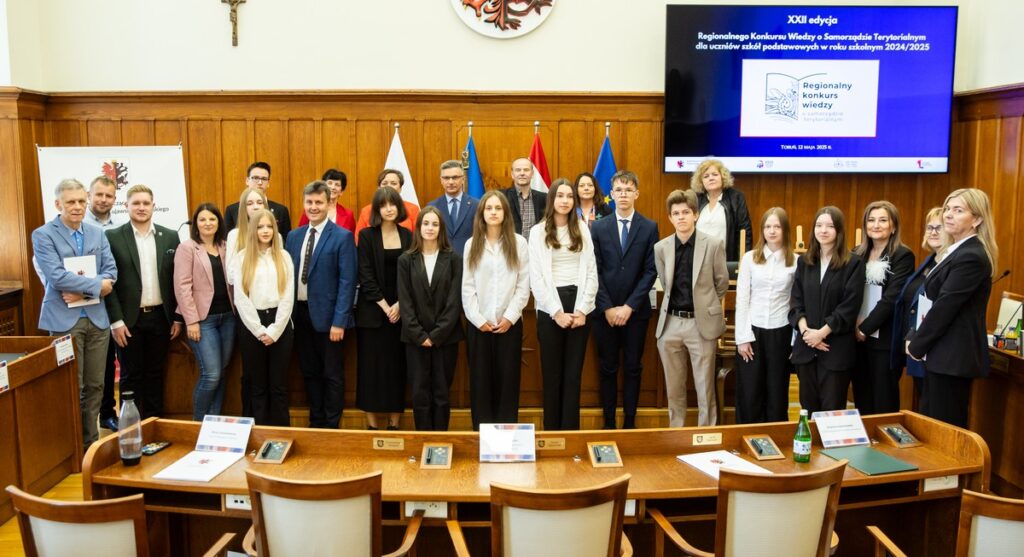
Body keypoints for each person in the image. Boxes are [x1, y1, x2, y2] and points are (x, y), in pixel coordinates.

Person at [32, 178, 117, 450]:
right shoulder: (43, 235)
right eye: (71, 202)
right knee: (69, 388)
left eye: (82, 201)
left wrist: (85, 293)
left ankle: (89, 446)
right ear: (58, 204)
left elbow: (111, 273)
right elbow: (56, 277)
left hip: (97, 321)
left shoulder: (97, 234)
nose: (78, 206)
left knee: (95, 387)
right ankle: (68, 448)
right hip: (63, 322)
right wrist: (96, 287)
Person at [907, 188, 997, 428]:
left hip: (953, 358)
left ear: (977, 219)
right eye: (948, 208)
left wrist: (916, 345)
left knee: (944, 433)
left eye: (958, 210)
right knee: (932, 427)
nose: (948, 215)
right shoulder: (955, 251)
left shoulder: (971, 256)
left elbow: (945, 307)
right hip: (940, 355)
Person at [104, 185, 182, 419]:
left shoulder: (170, 236)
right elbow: (109, 283)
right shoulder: (113, 237)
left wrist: (177, 317)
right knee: (130, 375)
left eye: (145, 203)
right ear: (126, 206)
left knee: (156, 373)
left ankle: (155, 425)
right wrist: (115, 320)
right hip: (128, 320)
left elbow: (177, 279)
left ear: (153, 206)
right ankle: (131, 427)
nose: (141, 207)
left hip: (161, 317)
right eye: (135, 203)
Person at [285, 181, 357, 429]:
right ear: (304, 204)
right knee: (310, 373)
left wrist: (340, 321)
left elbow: (348, 282)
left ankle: (331, 427)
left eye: (318, 202)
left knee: (332, 375)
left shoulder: (342, 236)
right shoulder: (293, 237)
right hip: (300, 316)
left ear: (328, 203)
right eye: (309, 202)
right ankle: (315, 424)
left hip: (330, 320)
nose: (313, 207)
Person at [654, 189, 729, 427]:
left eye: (686, 212)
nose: (681, 217)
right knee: (674, 388)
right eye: (676, 213)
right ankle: (677, 433)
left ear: (695, 215)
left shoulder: (713, 244)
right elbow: (666, 284)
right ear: (670, 218)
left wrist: (705, 307)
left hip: (701, 323)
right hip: (671, 323)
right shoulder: (661, 248)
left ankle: (706, 437)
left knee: (704, 387)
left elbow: (722, 284)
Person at [590, 170, 657, 429]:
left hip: (635, 313)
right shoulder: (599, 226)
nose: (623, 194)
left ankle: (630, 423)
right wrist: (607, 307)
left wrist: (629, 306)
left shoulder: (649, 227)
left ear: (636, 194)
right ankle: (608, 423)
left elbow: (651, 271)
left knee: (632, 368)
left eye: (629, 190)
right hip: (603, 313)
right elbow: (594, 269)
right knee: (607, 369)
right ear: (612, 194)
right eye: (619, 189)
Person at [529, 178, 597, 431]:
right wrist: (556, 312)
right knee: (552, 375)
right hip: (549, 307)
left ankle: (571, 434)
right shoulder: (538, 232)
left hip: (579, 303)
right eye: (560, 196)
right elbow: (535, 277)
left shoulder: (582, 228)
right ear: (552, 199)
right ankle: (552, 433)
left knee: (573, 376)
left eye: (570, 196)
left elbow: (592, 271)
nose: (565, 200)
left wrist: (582, 310)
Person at [462, 190, 530, 430]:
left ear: (505, 213)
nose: (493, 212)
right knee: (480, 384)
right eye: (488, 208)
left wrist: (510, 317)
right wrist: (478, 319)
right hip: (479, 326)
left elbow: (523, 286)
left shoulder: (519, 243)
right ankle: (482, 438)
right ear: (481, 213)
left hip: (508, 326)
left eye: (498, 208)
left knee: (507, 384)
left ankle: (506, 439)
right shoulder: (472, 244)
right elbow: (467, 287)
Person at [790, 206, 865, 415]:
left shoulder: (854, 264)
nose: (823, 230)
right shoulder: (804, 261)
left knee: (832, 412)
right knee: (808, 409)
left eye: (830, 226)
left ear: (839, 230)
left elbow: (849, 307)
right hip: (806, 349)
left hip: (835, 349)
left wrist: (821, 333)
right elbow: (796, 302)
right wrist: (807, 333)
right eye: (819, 225)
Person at [398, 207, 464, 431]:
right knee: (419, 394)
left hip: (445, 339)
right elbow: (405, 303)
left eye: (435, 224)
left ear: (441, 229)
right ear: (418, 228)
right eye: (426, 223)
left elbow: (454, 302)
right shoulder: (406, 260)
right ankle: (423, 442)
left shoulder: (453, 259)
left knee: (442, 393)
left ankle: (440, 443)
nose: (430, 228)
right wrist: (420, 335)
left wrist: (436, 335)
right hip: (415, 340)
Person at [734, 207, 797, 424]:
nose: (772, 231)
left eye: (777, 226)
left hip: (781, 331)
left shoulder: (796, 261)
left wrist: (794, 342)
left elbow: (797, 303)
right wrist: (742, 338)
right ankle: (747, 438)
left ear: (785, 230)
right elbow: (742, 298)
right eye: (767, 226)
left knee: (777, 391)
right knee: (750, 390)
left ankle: (776, 440)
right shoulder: (750, 258)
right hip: (753, 331)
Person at [851, 201, 915, 415]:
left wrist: (864, 329)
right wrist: (853, 327)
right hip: (855, 339)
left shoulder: (902, 256)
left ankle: (885, 447)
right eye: (871, 220)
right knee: (862, 397)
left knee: (883, 400)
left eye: (882, 220)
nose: (876, 225)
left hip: (884, 341)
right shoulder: (855, 254)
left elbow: (892, 298)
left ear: (893, 226)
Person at [174, 203, 236, 421]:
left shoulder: (226, 246)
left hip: (229, 318)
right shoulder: (188, 248)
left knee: (222, 372)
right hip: (203, 321)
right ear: (196, 224)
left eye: (212, 219)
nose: (208, 223)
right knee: (211, 375)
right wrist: (191, 321)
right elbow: (182, 287)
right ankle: (198, 425)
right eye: (202, 219)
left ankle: (214, 424)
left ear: (219, 222)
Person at [356, 187, 411, 431]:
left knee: (397, 369)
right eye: (384, 205)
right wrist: (385, 305)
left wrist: (399, 304)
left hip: (401, 314)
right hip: (373, 314)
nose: (389, 208)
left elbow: (410, 275)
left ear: (399, 208)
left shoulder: (409, 236)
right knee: (371, 369)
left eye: (393, 204)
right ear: (377, 209)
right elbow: (365, 275)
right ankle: (372, 425)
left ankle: (394, 424)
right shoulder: (367, 236)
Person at [233, 209, 294, 426]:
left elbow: (288, 296)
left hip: (280, 322)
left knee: (278, 385)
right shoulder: (242, 258)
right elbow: (241, 298)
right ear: (253, 230)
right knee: (257, 385)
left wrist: (275, 330)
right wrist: (259, 330)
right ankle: (259, 436)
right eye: (260, 227)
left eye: (269, 226)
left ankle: (281, 436)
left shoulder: (284, 257)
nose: (265, 231)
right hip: (252, 326)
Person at [891, 207, 943, 412]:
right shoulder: (931, 261)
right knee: (925, 408)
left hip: (936, 351)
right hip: (919, 350)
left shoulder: (949, 262)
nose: (933, 232)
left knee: (935, 413)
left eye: (939, 227)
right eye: (929, 227)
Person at [84, 175, 120, 433]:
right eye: (99, 195)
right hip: (84, 304)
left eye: (108, 196)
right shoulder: (77, 224)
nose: (103, 200)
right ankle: (88, 422)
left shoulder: (122, 224)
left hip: (116, 299)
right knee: (96, 366)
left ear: (115, 199)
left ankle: (109, 412)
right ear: (89, 195)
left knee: (117, 363)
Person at [692, 159, 752, 262]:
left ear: (722, 177)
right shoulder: (695, 200)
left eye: (715, 174)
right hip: (697, 260)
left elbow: (745, 232)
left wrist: (743, 262)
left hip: (725, 261)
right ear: (701, 181)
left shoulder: (736, 198)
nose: (711, 178)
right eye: (706, 176)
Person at [224, 162, 291, 237]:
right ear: (247, 181)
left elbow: (285, 241)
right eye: (255, 178)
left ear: (268, 183)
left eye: (264, 179)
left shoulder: (281, 210)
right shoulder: (232, 210)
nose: (260, 182)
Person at [428, 160, 478, 255]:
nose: (450, 182)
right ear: (441, 180)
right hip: (441, 262)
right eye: (446, 178)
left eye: (455, 177)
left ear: (463, 179)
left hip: (469, 261)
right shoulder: (432, 207)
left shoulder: (476, 205)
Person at [354, 169, 420, 240]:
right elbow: (358, 240)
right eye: (385, 183)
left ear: (400, 188)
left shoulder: (413, 209)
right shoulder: (367, 210)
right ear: (379, 188)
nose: (388, 186)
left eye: (393, 183)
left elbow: (418, 238)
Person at [225, 187, 269, 283]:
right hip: (245, 293)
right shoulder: (234, 235)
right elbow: (231, 276)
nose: (256, 207)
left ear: (265, 206)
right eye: (250, 203)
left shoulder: (275, 235)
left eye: (259, 202)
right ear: (243, 208)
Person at [298, 168, 356, 233]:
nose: (333, 187)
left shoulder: (348, 215)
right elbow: (301, 233)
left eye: (337, 185)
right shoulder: (311, 209)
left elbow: (350, 239)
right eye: (330, 183)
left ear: (341, 191)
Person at [503, 157, 547, 237]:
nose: (522, 173)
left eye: (526, 170)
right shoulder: (502, 196)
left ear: (532, 174)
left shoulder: (544, 198)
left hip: (535, 247)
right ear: (512, 174)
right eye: (518, 170)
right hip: (510, 247)